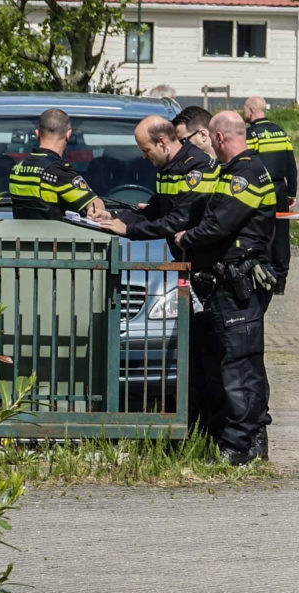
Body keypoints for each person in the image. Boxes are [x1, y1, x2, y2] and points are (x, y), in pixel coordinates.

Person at [96, 116, 220, 436]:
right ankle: (193, 428)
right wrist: (111, 218)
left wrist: (129, 229)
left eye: (145, 149)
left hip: (206, 273)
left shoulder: (196, 169)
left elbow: (176, 221)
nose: (143, 157)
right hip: (189, 271)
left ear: (163, 143)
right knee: (194, 360)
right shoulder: (168, 168)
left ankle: (205, 430)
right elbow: (155, 210)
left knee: (206, 360)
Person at [174, 110, 278, 465]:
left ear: (218, 138)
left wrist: (187, 235)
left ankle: (238, 448)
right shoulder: (233, 171)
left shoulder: (245, 174)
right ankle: (245, 444)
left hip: (238, 286)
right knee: (233, 367)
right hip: (225, 285)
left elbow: (219, 224)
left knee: (239, 369)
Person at [243, 96, 297, 294]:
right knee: (282, 235)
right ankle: (281, 281)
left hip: (261, 190)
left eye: (244, 110)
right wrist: (292, 192)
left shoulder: (252, 134)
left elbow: (248, 164)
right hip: (281, 189)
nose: (244, 114)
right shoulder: (281, 133)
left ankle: (265, 277)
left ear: (251, 110)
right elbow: (291, 165)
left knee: (262, 233)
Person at [7, 108, 102, 221]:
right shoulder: (59, 172)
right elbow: (96, 207)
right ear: (68, 134)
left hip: (21, 238)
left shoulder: (17, 169)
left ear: (37, 133)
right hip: (53, 238)